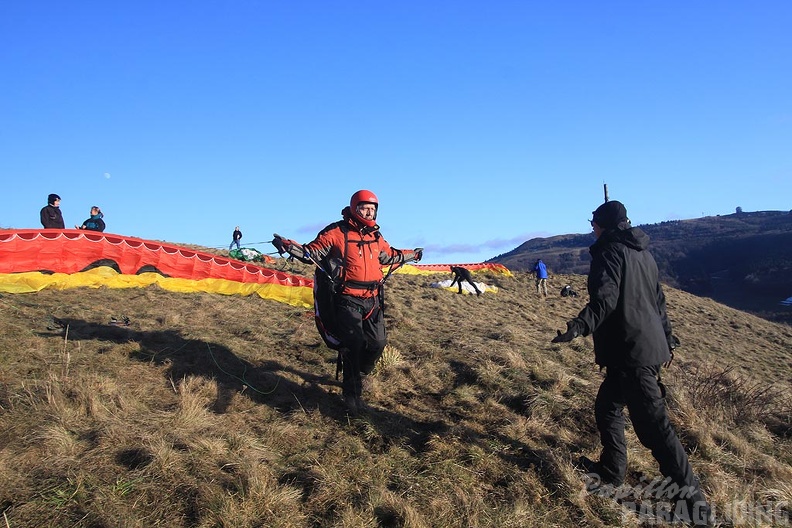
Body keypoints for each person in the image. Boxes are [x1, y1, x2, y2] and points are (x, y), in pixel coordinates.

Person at [551, 200, 713, 525]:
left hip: (632, 354)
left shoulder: (610, 252)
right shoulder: (644, 253)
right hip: (645, 350)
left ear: (605, 226)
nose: (592, 229)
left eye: (594, 224)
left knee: (657, 432)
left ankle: (698, 512)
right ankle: (611, 472)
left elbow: (606, 300)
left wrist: (579, 326)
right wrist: (667, 340)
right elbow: (659, 303)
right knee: (607, 405)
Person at [291, 190, 422, 415]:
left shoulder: (376, 236)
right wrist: (290, 247)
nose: (369, 212)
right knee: (354, 345)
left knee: (378, 343)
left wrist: (413, 254)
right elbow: (312, 252)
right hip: (347, 299)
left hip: (373, 299)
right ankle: (352, 395)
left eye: (373, 209)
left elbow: (389, 255)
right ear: (354, 208)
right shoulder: (336, 232)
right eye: (364, 208)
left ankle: (358, 372)